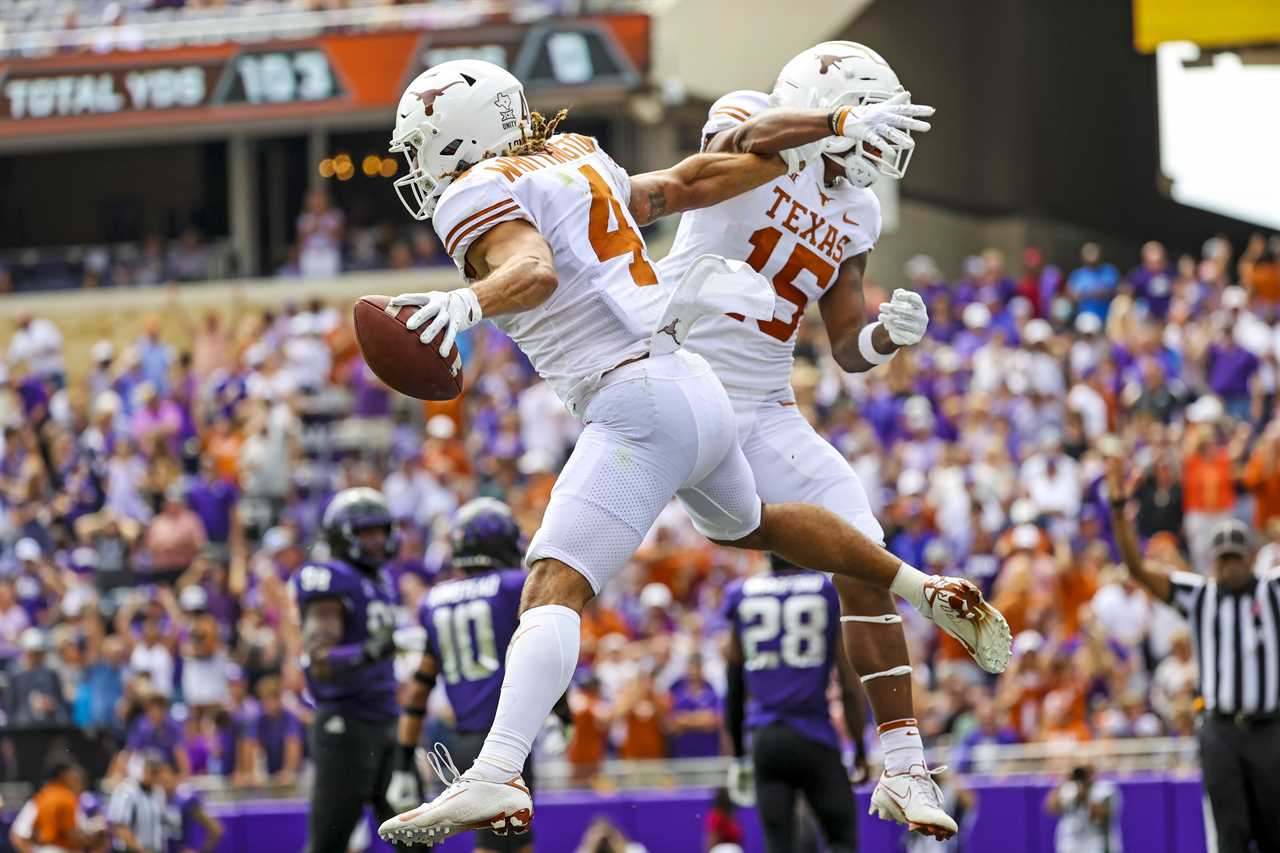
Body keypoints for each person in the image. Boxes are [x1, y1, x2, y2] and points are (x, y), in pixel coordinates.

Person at [377, 58, 1009, 846]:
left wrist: (462, 301)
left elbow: (533, 269)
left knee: (552, 582)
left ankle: (496, 772)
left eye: (417, 148)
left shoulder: (475, 192)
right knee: (755, 524)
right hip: (699, 383)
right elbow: (678, 185)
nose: (413, 169)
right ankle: (919, 584)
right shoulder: (573, 155)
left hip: (639, 398)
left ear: (454, 135)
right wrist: (826, 129)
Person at [658, 40, 954, 836]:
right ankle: (498, 760)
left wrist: (888, 337)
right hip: (672, 377)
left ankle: (903, 765)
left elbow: (846, 342)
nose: (882, 145)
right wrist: (835, 118)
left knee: (861, 539)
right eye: (872, 121)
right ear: (834, 106)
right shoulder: (748, 114)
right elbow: (727, 151)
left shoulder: (858, 209)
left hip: (761, 400)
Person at [1105, 451, 1280, 851]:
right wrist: (1118, 511)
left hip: (1271, 729)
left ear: (1252, 558)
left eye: (1237, 557)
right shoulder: (1199, 595)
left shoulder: (1273, 590)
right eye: (1224, 559)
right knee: (1228, 833)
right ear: (1212, 562)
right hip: (1219, 729)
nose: (1230, 566)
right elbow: (1138, 570)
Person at [395, 498, 537, 853]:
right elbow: (537, 657)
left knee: (516, 843)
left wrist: (402, 759)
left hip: (464, 737)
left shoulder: (435, 599)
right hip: (502, 737)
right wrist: (562, 711)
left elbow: (420, 688)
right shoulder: (510, 587)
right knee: (497, 846)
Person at [289, 487, 424, 853]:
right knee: (330, 842)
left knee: (418, 838)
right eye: (367, 532)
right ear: (342, 534)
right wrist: (370, 651)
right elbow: (320, 659)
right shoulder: (329, 577)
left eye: (381, 531)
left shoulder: (379, 579)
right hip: (346, 728)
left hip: (386, 724)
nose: (377, 540)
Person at [722, 558, 868, 852]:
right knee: (841, 839)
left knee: (779, 846)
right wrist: (860, 747)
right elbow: (850, 684)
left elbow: (734, 685)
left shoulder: (742, 592)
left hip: (766, 740)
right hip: (813, 733)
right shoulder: (825, 591)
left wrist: (739, 754)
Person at [1045, 764, 1121, 853]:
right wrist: (1063, 782)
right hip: (1069, 843)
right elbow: (1050, 808)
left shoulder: (1105, 790)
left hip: (1094, 842)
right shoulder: (1068, 789)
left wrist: (1086, 797)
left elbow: (1102, 817)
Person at [107, 751, 168, 853]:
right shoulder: (127, 791)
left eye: (158, 771)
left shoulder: (158, 793)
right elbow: (121, 827)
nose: (156, 776)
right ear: (143, 769)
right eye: (153, 771)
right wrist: (140, 850)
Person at [158, 759, 223, 853]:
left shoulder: (185, 800)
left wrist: (203, 850)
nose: (162, 777)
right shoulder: (154, 800)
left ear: (174, 776)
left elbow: (216, 829)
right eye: (159, 774)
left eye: (165, 773)